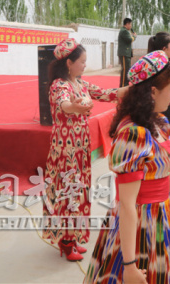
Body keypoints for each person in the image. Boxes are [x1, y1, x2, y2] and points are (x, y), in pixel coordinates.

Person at [85, 51, 170, 283]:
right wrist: (130, 265)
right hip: (140, 224)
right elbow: (127, 204)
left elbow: (169, 167)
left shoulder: (159, 122)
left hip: (160, 217)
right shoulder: (134, 134)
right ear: (153, 91)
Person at [43, 38, 122, 261]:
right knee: (68, 191)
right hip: (65, 149)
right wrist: (73, 107)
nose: (85, 65)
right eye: (82, 61)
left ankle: (72, 237)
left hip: (80, 147)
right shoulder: (60, 85)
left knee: (78, 190)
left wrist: (131, 90)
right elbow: (64, 104)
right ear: (69, 63)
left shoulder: (80, 83)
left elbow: (105, 94)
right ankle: (67, 243)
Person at [117, 17, 136, 87]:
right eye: (130, 24)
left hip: (126, 53)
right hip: (124, 53)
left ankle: (125, 84)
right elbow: (130, 39)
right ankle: (123, 85)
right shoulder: (124, 31)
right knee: (125, 70)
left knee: (127, 69)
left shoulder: (125, 31)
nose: (131, 26)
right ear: (127, 24)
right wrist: (134, 36)